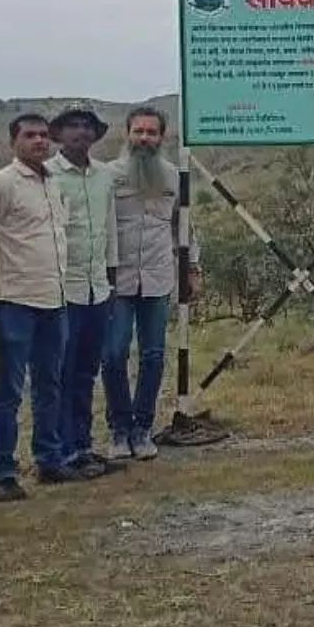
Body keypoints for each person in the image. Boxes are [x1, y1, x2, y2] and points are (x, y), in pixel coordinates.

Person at [0, 113, 89, 500]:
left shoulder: (53, 183)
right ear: (13, 141)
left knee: (49, 383)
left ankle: (49, 459)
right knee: (10, 387)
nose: (39, 141)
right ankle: (3, 472)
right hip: (14, 299)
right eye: (30, 135)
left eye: (43, 135)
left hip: (53, 298)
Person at [105, 106, 201, 461]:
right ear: (126, 133)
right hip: (117, 281)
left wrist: (192, 268)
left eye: (151, 132)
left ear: (162, 137)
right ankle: (118, 428)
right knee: (113, 355)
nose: (144, 138)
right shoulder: (108, 176)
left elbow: (185, 226)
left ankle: (143, 428)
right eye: (138, 131)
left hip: (158, 278)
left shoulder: (174, 177)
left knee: (154, 355)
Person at [46, 107, 123, 474]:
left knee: (86, 372)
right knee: (60, 370)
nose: (81, 133)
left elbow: (108, 227)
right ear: (59, 134)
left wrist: (111, 276)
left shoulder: (105, 175)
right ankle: (59, 451)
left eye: (87, 127)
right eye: (73, 127)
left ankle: (82, 444)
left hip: (97, 287)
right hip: (63, 288)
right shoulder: (48, 175)